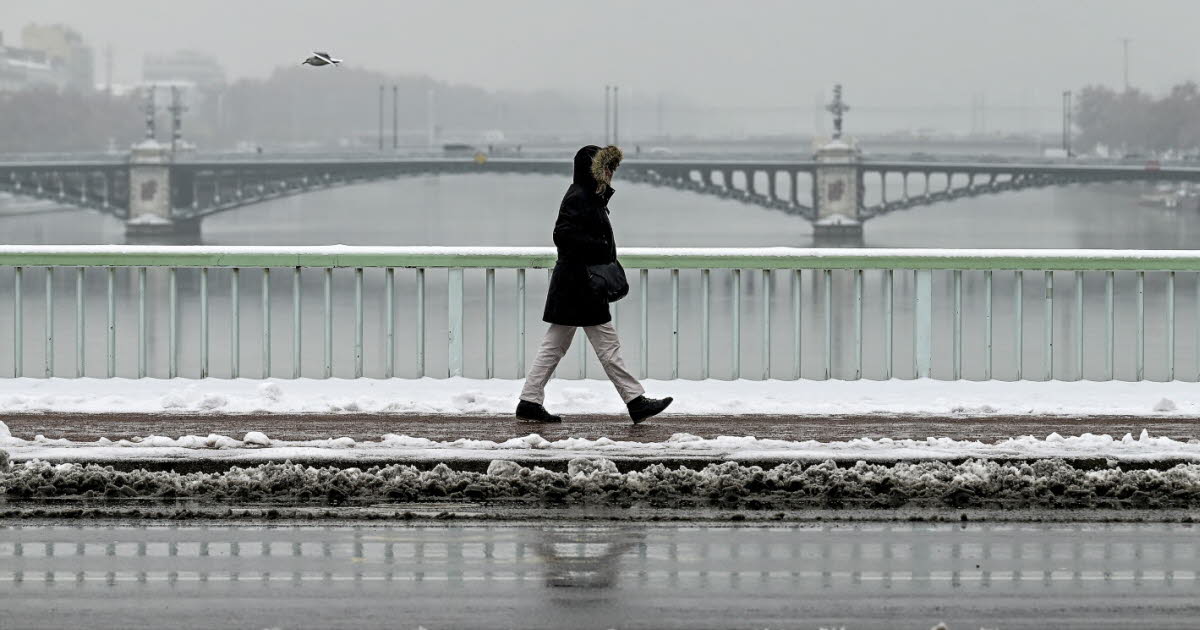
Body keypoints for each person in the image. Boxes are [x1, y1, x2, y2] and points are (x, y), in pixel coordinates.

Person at [516, 145, 672, 424]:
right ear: (594, 170)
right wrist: (599, 248)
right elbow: (562, 235)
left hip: (574, 284)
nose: (611, 173)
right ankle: (635, 401)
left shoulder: (588, 196)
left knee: (555, 345)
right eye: (606, 168)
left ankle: (529, 400)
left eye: (613, 168)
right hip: (581, 286)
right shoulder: (580, 196)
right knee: (606, 345)